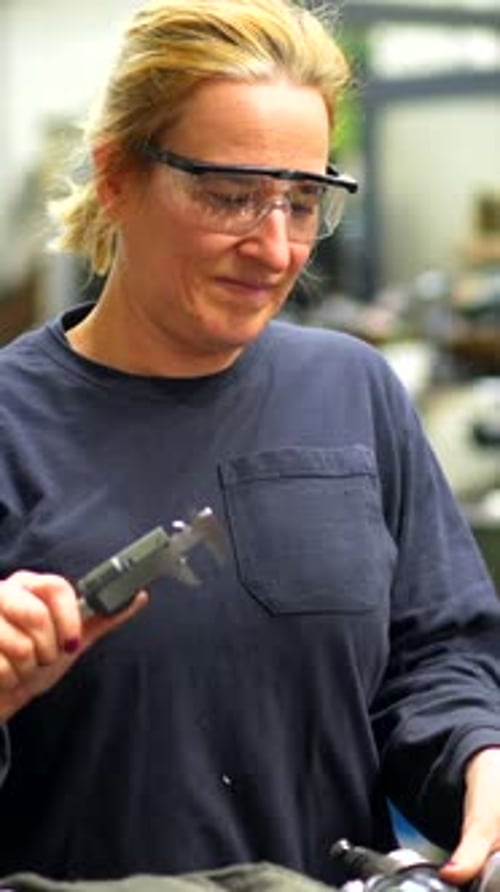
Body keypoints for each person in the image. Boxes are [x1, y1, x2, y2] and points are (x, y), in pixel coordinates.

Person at [1, 0, 500, 885]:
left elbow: (434, 656)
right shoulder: (14, 427)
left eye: (303, 200)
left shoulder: (354, 392)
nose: (274, 248)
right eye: (232, 196)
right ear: (118, 177)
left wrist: (476, 755)